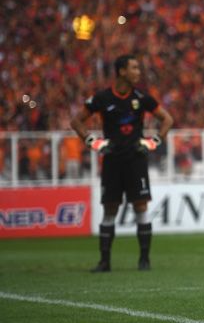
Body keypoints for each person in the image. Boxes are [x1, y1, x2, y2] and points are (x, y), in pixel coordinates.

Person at [70, 54, 173, 272]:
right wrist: (93, 142)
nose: (139, 72)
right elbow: (76, 121)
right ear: (122, 71)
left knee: (141, 207)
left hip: (136, 159)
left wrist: (153, 142)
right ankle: (104, 261)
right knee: (110, 209)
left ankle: (144, 260)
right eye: (134, 68)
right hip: (112, 160)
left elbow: (167, 119)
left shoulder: (142, 97)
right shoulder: (102, 98)